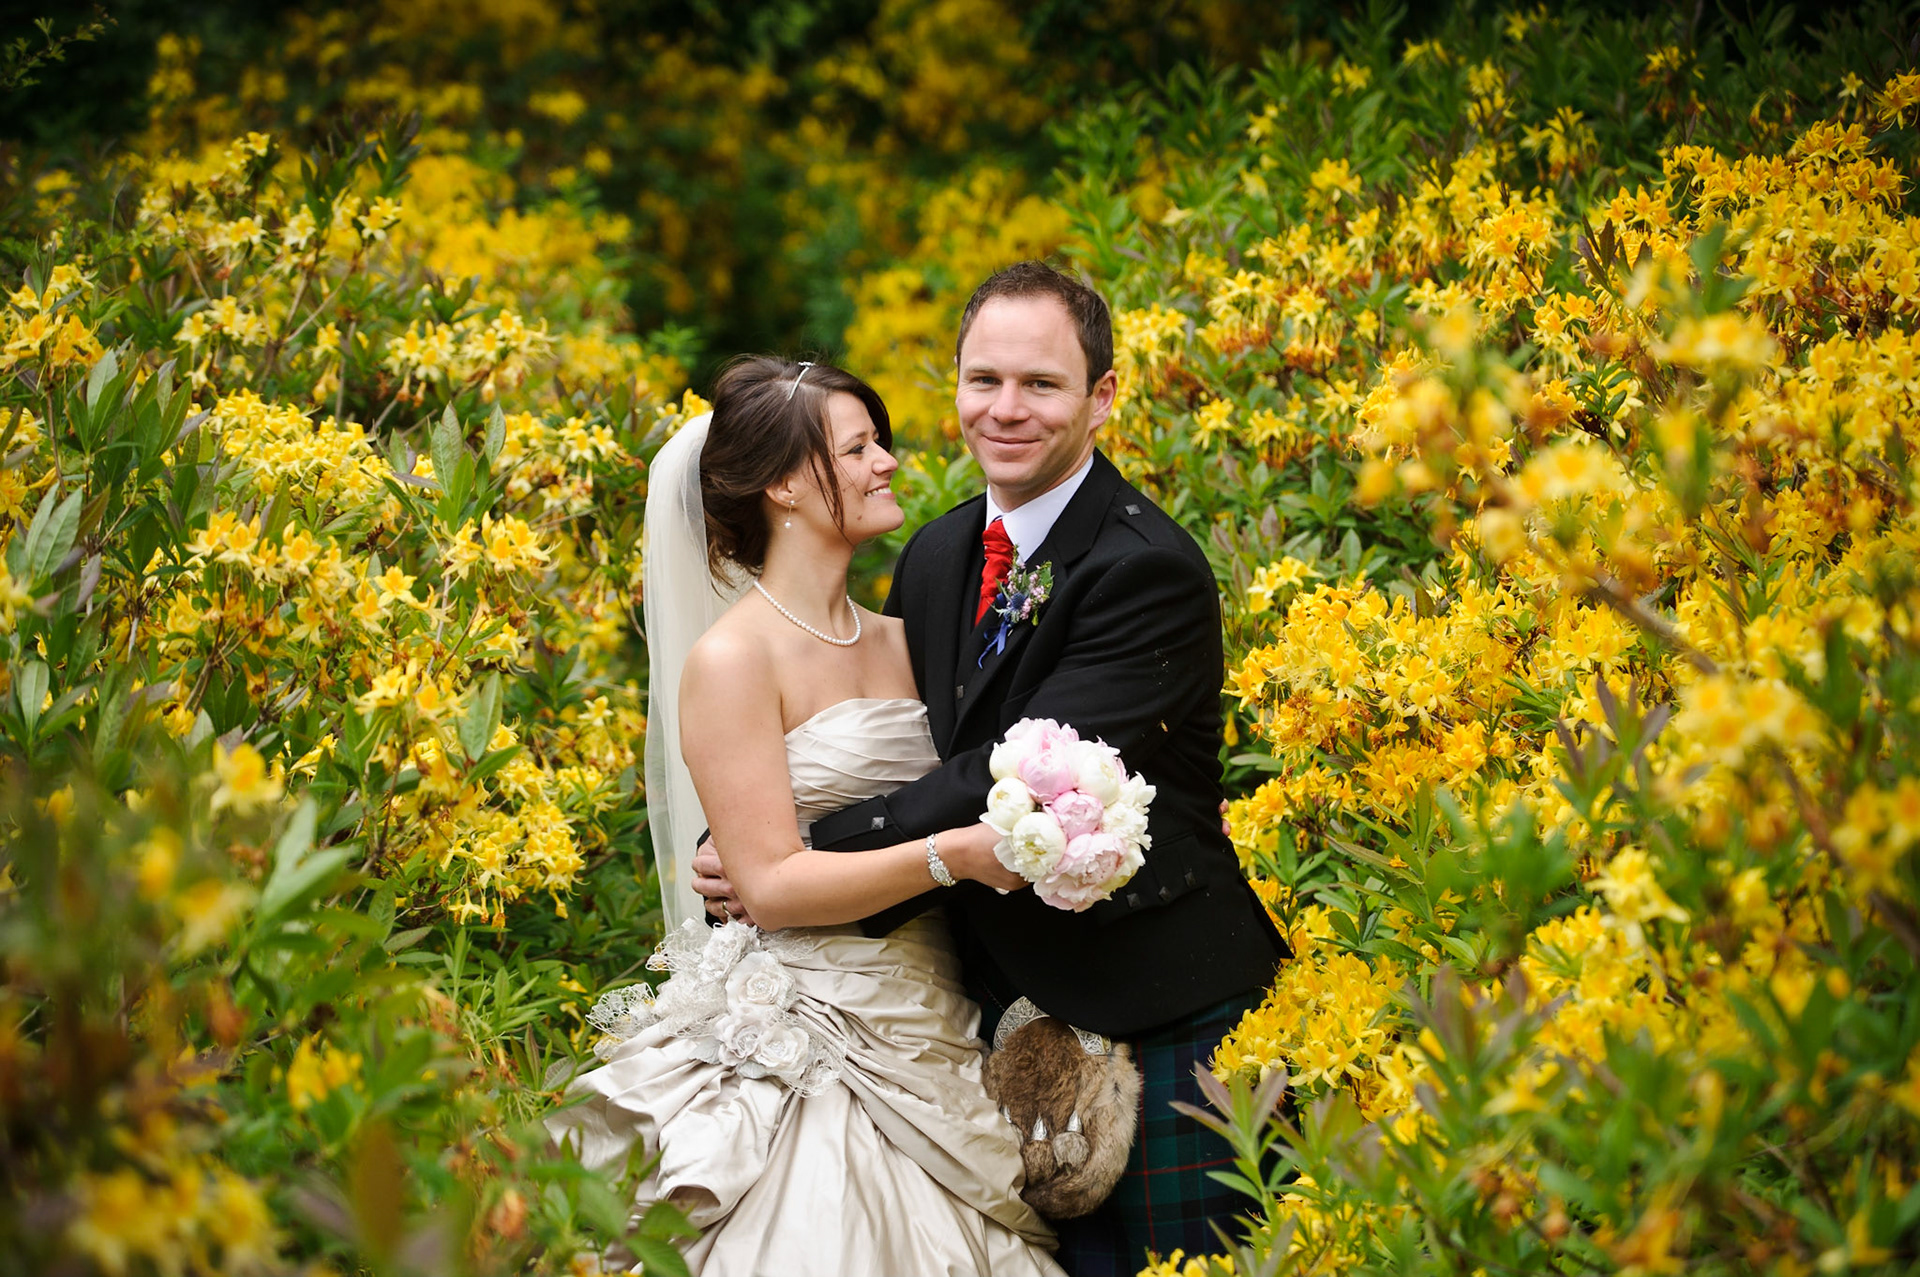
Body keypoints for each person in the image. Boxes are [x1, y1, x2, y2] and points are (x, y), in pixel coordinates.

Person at [694, 262, 1291, 1275]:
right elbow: (895, 738)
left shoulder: (1144, 567)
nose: (1005, 409)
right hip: (987, 1032)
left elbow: (1004, 778)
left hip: (1161, 1011)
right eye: (984, 380)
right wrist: (753, 829)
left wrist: (786, 857)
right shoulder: (936, 553)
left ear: (1102, 396)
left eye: (1042, 384)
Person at [548, 357, 1066, 1276]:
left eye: (881, 442)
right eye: (858, 447)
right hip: (811, 1028)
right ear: (786, 483)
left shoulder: (914, 638)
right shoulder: (733, 659)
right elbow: (772, 885)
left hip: (936, 1018)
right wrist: (954, 855)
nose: (888, 463)